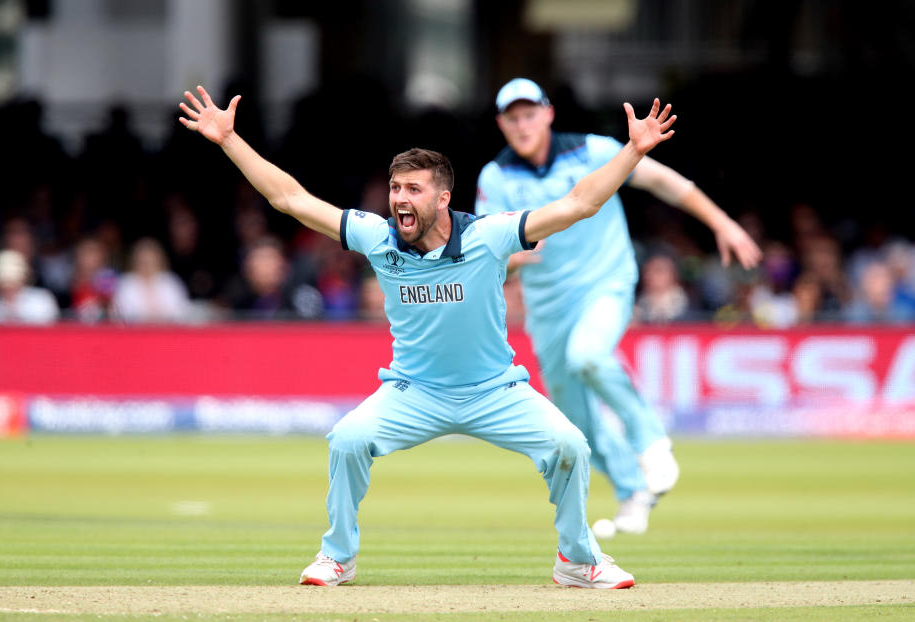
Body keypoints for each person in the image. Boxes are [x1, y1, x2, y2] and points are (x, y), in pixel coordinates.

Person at [179, 84, 675, 587]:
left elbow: (578, 204)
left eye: (413, 190)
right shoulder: (378, 237)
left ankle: (576, 560)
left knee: (570, 444)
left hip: (494, 391)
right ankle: (337, 557)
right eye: (395, 189)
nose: (399, 200)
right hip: (413, 391)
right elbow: (289, 198)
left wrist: (633, 151)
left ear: (443, 198)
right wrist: (228, 140)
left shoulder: (489, 235)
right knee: (348, 439)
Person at [476, 78, 762, 535]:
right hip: (546, 307)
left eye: (530, 113)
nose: (522, 124)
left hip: (605, 282)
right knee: (575, 421)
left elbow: (665, 182)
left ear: (548, 114)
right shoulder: (496, 177)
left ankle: (651, 442)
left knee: (588, 356)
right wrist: (515, 254)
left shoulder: (592, 150)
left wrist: (722, 223)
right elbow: (489, 254)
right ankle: (633, 495)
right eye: (513, 117)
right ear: (501, 124)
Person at [0, 249, 60, 324]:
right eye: (3, 285)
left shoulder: (42, 300)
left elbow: (51, 331)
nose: (8, 288)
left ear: (22, 280)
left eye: (12, 283)